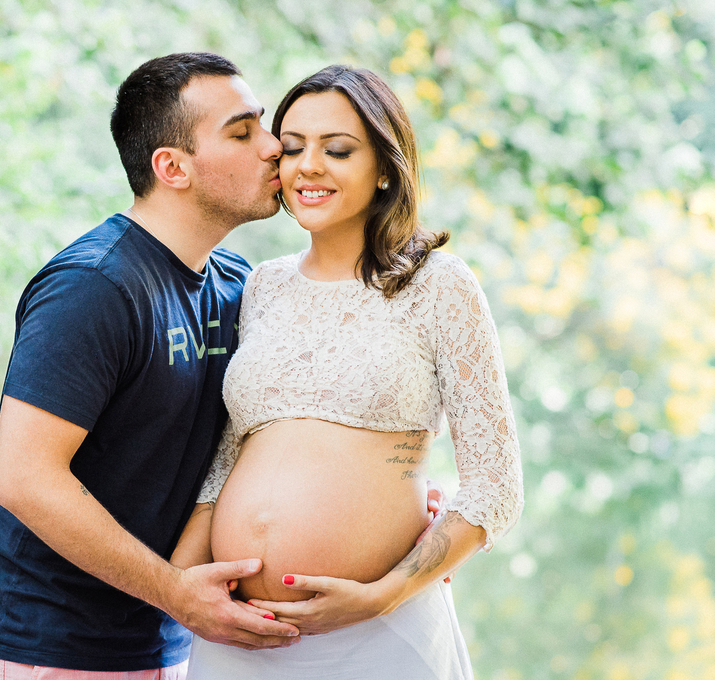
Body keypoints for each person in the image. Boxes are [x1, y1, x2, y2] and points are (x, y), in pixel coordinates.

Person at [171, 65, 524, 679]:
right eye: (292, 147)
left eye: (337, 150)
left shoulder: (438, 285)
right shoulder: (264, 286)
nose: (308, 166)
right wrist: (182, 580)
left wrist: (383, 594)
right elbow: (231, 453)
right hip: (237, 635)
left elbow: (496, 486)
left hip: (378, 634)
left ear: (385, 167)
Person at [0, 52, 304, 679]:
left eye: (263, 123)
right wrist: (176, 594)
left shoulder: (239, 284)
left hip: (173, 642)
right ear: (172, 167)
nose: (273, 146)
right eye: (242, 132)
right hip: (49, 650)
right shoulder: (93, 287)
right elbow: (24, 478)